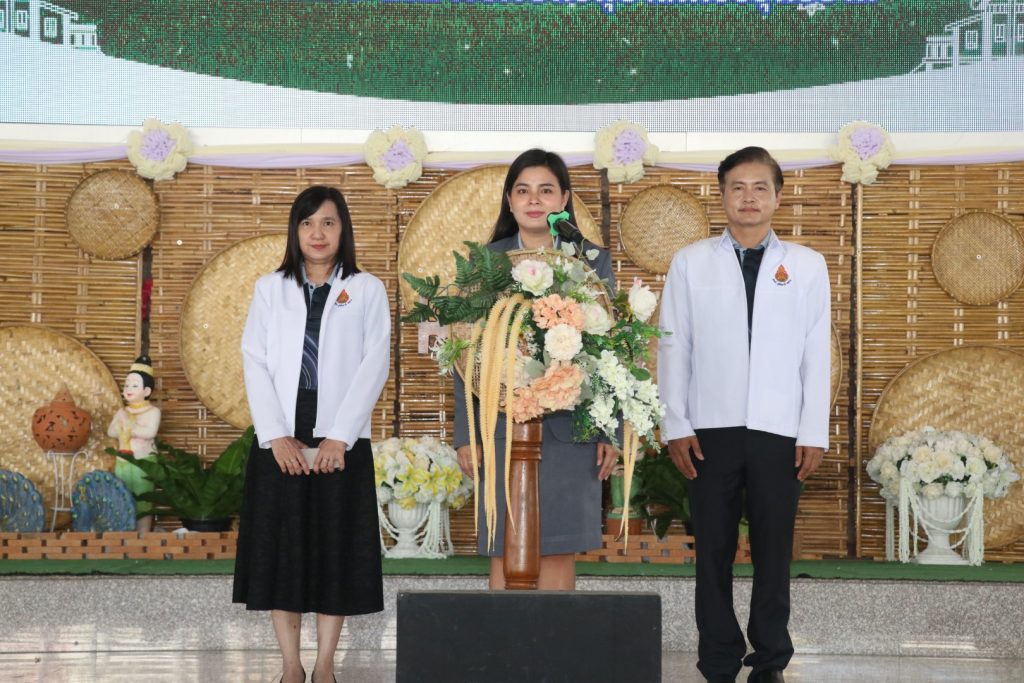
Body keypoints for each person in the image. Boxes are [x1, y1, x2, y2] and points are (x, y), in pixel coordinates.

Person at [657, 147, 830, 683]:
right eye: (737, 187)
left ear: (777, 196)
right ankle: (717, 661)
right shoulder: (691, 262)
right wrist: (676, 424)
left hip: (780, 430)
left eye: (760, 187)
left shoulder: (807, 265)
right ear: (722, 195)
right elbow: (673, 346)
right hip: (710, 428)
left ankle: (770, 659)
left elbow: (816, 352)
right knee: (712, 550)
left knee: (774, 551)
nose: (748, 197)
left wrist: (813, 431)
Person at [232, 186, 391, 683]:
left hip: (342, 436)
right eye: (307, 223)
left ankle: (324, 666)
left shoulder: (366, 288)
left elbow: (374, 363)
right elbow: (254, 361)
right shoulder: (269, 288)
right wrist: (275, 435)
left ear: (343, 229)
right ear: (294, 231)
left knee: (333, 550)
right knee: (282, 551)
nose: (317, 233)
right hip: (280, 433)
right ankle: (290, 666)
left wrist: (340, 437)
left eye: (328, 222)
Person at [453, 148, 620, 590]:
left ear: (563, 199)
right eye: (523, 191)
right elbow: (463, 354)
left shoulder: (591, 259)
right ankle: (502, 638)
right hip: (500, 427)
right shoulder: (485, 262)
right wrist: (467, 435)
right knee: (503, 544)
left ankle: (556, 639)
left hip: (571, 429)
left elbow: (611, 350)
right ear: (509, 201)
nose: (533, 200)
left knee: (560, 547)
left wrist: (610, 431)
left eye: (546, 190)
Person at [108, 355, 161, 532]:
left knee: (143, 496)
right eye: (127, 385)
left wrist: (130, 427)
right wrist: (122, 425)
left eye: (135, 385)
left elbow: (150, 433)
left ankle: (143, 534)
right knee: (123, 494)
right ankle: (125, 533)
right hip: (123, 460)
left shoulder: (153, 411)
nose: (129, 389)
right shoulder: (122, 411)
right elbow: (111, 432)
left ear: (147, 391)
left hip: (143, 461)